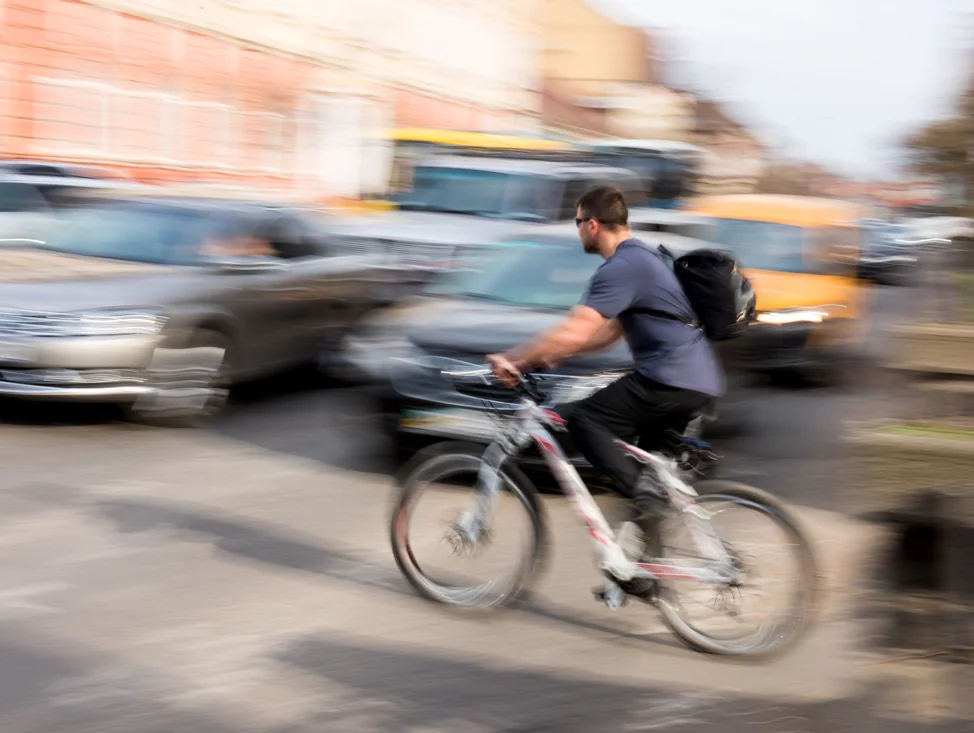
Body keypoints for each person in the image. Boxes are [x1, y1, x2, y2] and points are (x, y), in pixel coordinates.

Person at [486, 185, 725, 596]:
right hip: (691, 381)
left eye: (579, 222)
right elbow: (606, 334)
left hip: (669, 380)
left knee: (586, 421)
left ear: (592, 225)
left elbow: (577, 327)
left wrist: (518, 360)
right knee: (651, 475)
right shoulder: (643, 257)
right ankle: (643, 576)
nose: (578, 230)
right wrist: (555, 355)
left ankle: (647, 511)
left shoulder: (621, 267)